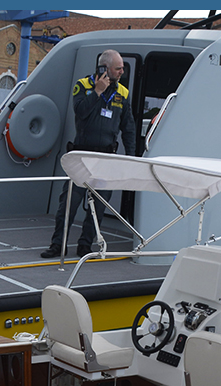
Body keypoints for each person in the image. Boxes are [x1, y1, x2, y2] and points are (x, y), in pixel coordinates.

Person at [41, 49, 136, 259]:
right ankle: (58, 245)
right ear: (104, 68)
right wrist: (97, 92)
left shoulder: (123, 93)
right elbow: (81, 111)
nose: (122, 72)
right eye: (118, 68)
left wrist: (131, 156)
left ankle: (85, 245)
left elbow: (128, 128)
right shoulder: (83, 86)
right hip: (82, 157)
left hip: (105, 160)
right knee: (69, 204)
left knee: (99, 208)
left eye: (122, 68)